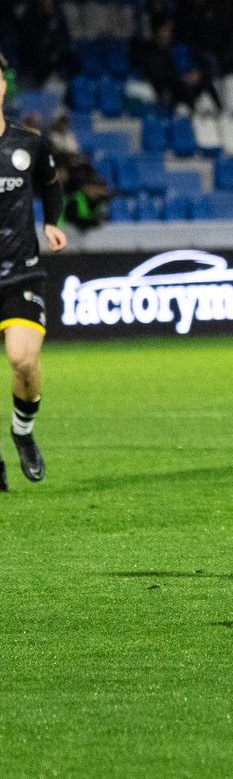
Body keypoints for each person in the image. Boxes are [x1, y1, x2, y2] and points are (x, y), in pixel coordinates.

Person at [0, 50, 68, 492]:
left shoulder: (28, 143)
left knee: (23, 361)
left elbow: (52, 186)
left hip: (21, 270)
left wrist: (51, 223)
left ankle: (22, 433)